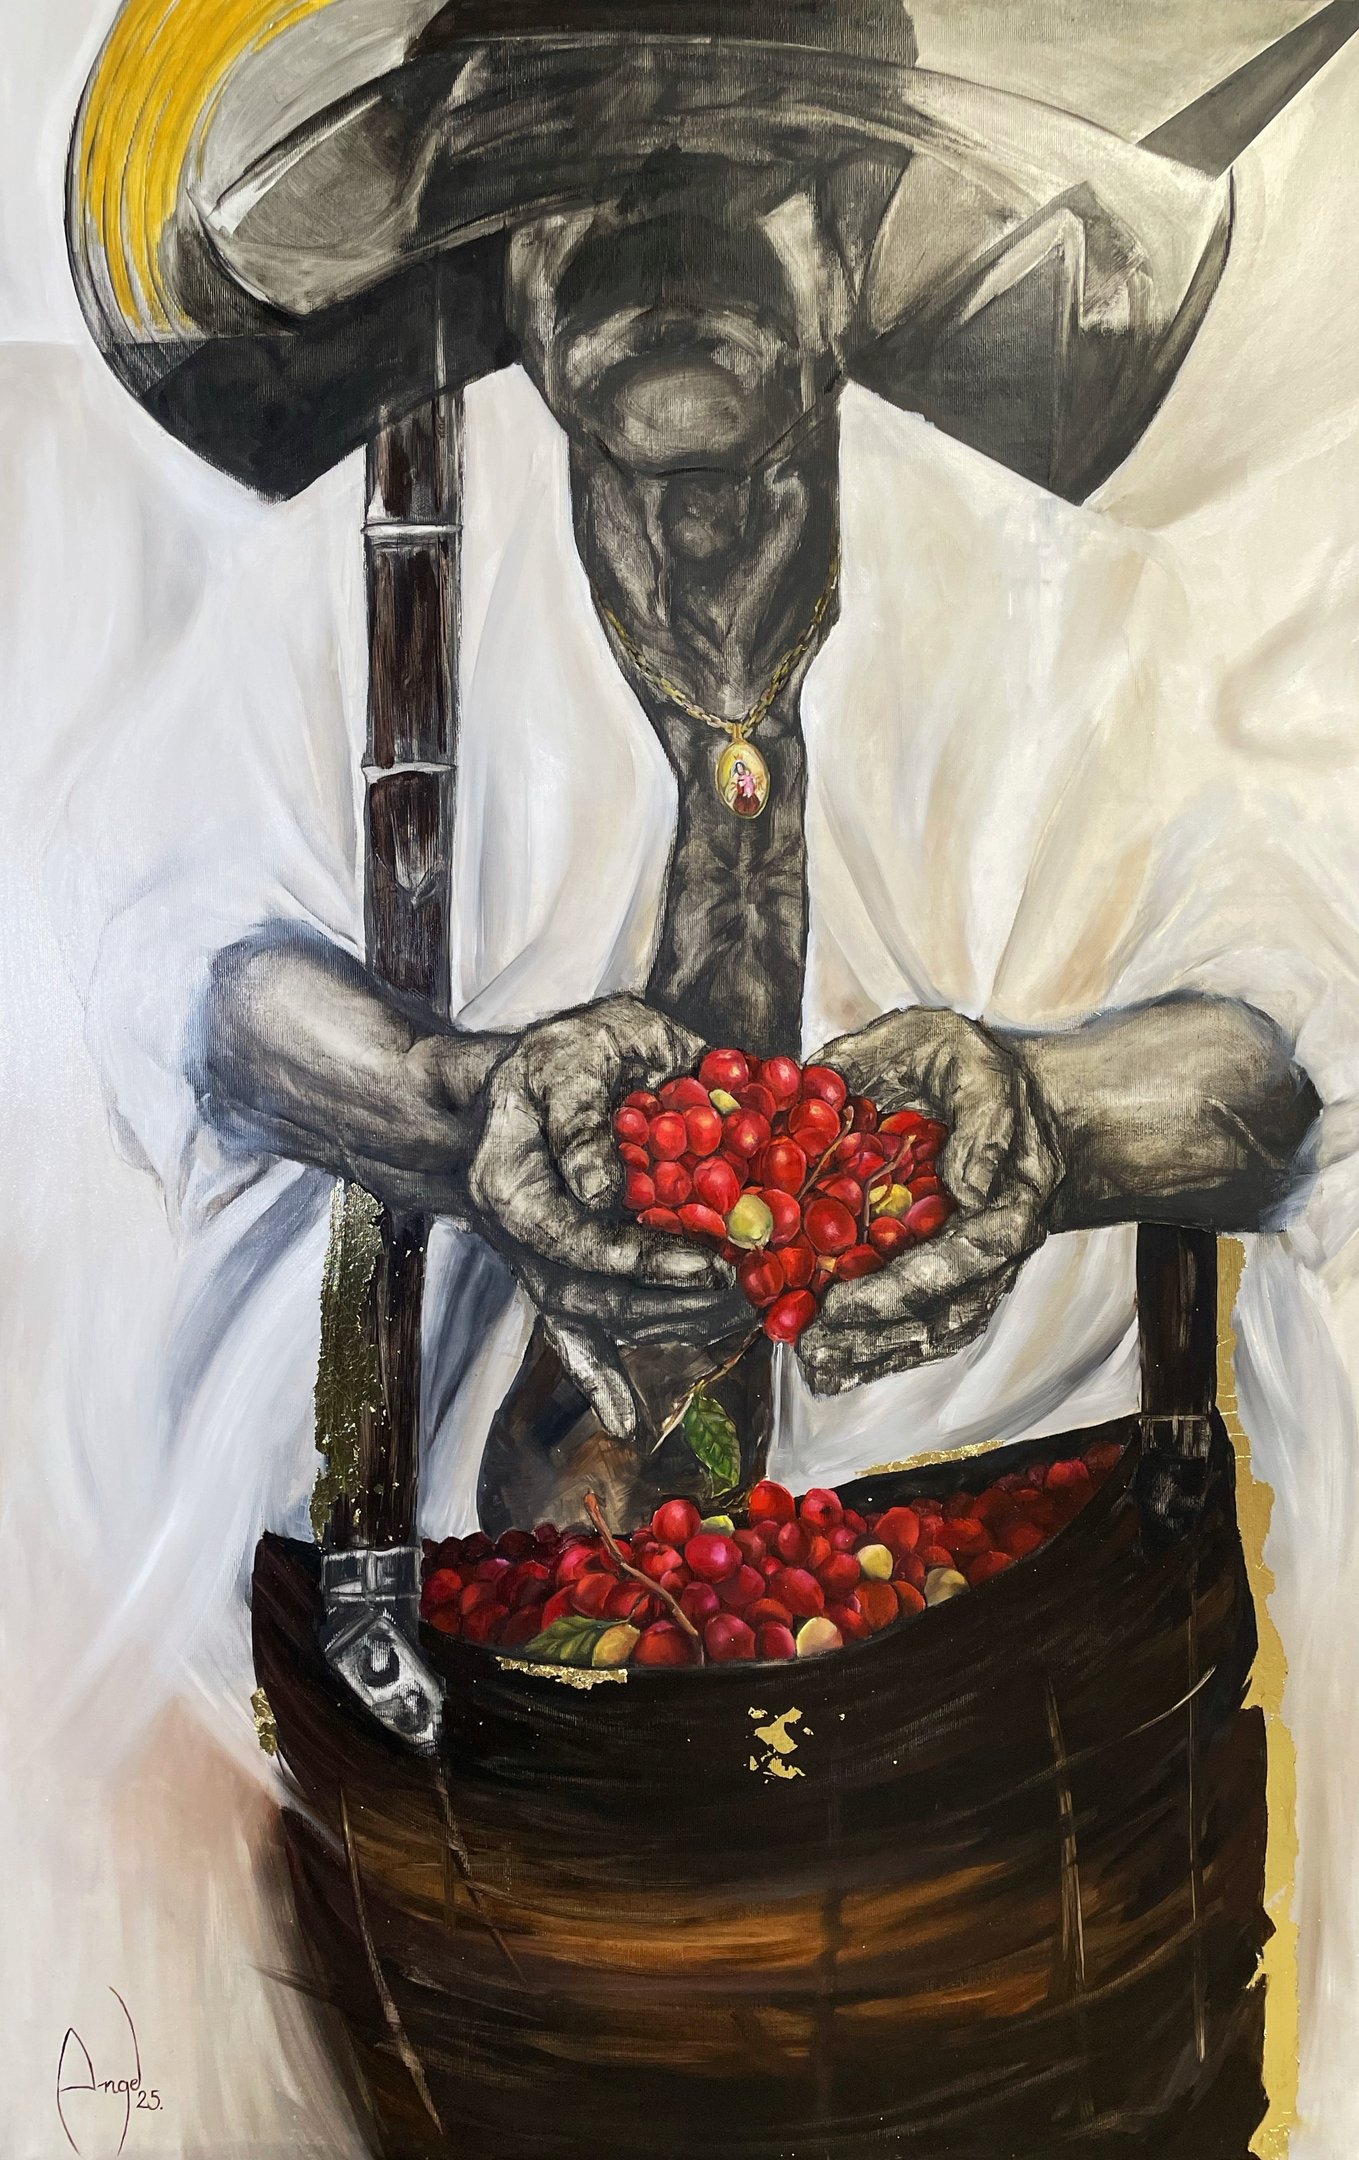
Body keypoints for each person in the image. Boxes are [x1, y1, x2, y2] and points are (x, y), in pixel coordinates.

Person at [64, 2, 1356, 1617]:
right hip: (442, 1638)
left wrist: (1044, 1113)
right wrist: (453, 1104)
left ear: (862, 225)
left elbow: (1292, 1031)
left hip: (959, 1611)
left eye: (756, 163)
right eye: (571, 164)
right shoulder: (360, 568)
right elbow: (174, 972)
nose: (667, 249)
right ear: (489, 246)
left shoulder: (1063, 602)